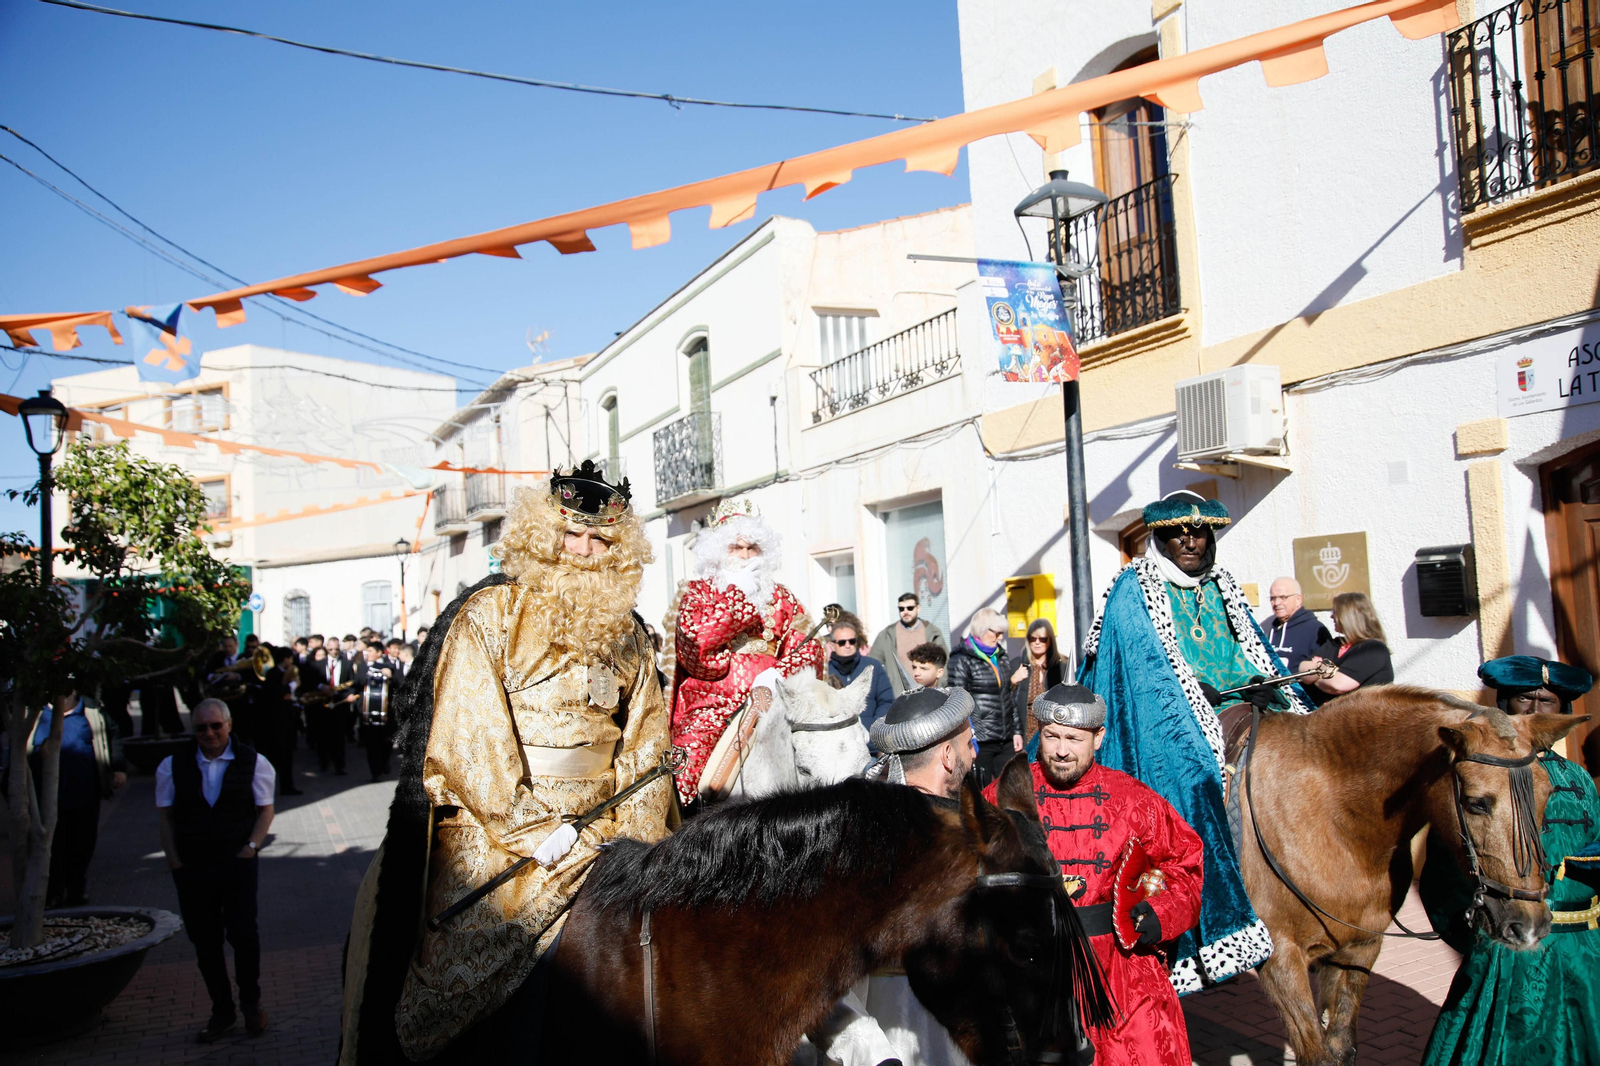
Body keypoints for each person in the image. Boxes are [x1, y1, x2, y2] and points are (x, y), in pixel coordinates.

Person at [342, 459, 675, 1063]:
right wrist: (539, 833)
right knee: (481, 966)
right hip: (503, 833)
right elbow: (471, 740)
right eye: (570, 533)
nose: (583, 549)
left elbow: (647, 745)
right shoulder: (489, 615)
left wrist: (634, 842)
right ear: (540, 535)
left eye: (600, 539)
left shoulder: (629, 634)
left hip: (605, 829)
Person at [1079, 490, 1308, 993]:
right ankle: (1208, 914)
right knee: (1195, 775)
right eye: (1178, 531)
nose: (1190, 539)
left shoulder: (1224, 584)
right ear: (1159, 536)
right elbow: (1145, 678)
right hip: (1163, 718)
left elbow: (1249, 649)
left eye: (1200, 531)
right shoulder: (1133, 589)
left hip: (1238, 706)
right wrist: (1194, 697)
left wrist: (1266, 684)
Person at [985, 685, 1204, 1066]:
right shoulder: (1004, 795)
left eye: (1074, 738)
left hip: (1122, 969)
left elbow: (1186, 863)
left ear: (1098, 737)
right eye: (1051, 736)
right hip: (1034, 968)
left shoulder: (1133, 799)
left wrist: (1161, 913)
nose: (1061, 750)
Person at [1420, 655, 1600, 1066]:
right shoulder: (1478, 779)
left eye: (1547, 702)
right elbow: (1442, 876)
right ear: (1503, 706)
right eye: (1523, 700)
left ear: (1562, 712)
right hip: (1508, 952)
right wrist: (1483, 941)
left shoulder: (1579, 779)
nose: (1535, 711)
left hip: (1582, 952)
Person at [813, 686, 974, 1066]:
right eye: (970, 744)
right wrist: (874, 1057)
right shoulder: (862, 845)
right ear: (948, 757)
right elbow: (817, 977)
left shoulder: (972, 830)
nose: (974, 754)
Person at [670, 496, 823, 806]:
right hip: (710, 711)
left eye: (752, 548)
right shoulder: (698, 592)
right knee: (682, 774)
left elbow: (810, 648)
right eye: (735, 548)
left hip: (770, 703)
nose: (745, 555)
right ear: (718, 551)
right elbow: (696, 648)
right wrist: (736, 595)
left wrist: (778, 674)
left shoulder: (781, 597)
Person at [156, 698, 276, 1043]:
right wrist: (174, 862)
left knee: (243, 935)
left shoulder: (255, 762)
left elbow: (265, 809)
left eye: (215, 726)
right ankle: (222, 1011)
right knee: (205, 943)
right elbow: (165, 817)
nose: (208, 733)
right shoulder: (171, 765)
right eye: (201, 728)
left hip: (237, 865)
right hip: (192, 868)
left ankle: (251, 1005)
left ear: (229, 725)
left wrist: (250, 847)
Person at [27, 681, 126, 906]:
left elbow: (113, 735)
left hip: (85, 794)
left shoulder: (91, 711)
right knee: (54, 846)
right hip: (47, 798)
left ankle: (76, 889)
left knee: (82, 844)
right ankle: (54, 892)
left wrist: (118, 768)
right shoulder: (35, 713)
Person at [944, 607, 1019, 787]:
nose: (1000, 638)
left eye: (1002, 633)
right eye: (997, 633)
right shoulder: (961, 658)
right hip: (981, 739)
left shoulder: (1000, 656)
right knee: (982, 791)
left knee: (1010, 789)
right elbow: (959, 700)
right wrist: (971, 740)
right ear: (982, 630)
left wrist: (1016, 730)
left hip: (1005, 737)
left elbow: (1008, 695)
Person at [1299, 591, 1394, 707]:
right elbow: (1303, 671)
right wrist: (1328, 670)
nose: (1331, 616)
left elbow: (1337, 685)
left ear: (1349, 616)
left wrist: (1317, 669)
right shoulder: (1334, 644)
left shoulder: (1373, 649)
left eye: (1335, 612)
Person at [826, 610, 895, 734]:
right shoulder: (824, 672)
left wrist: (873, 730)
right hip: (838, 742)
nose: (848, 645)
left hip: (871, 741)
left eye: (852, 641)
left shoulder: (873, 666)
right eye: (842, 642)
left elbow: (886, 702)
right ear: (832, 645)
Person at [868, 592, 948, 697]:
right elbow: (873, 665)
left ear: (918, 608)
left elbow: (943, 664)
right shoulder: (887, 635)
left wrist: (939, 690)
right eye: (901, 609)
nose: (905, 612)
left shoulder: (932, 632)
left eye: (910, 608)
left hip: (928, 695)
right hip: (899, 695)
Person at [1012, 617, 1067, 753]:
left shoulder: (1062, 666)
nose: (1037, 642)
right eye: (1033, 638)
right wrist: (1012, 681)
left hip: (1053, 732)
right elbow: (1006, 702)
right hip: (1026, 734)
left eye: (1042, 639)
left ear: (1050, 641)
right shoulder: (1016, 665)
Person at [1261, 578, 1328, 671]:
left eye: (1283, 597)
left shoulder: (1316, 630)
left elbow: (1325, 670)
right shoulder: (1266, 629)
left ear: (1298, 599)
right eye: (1273, 598)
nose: (1276, 603)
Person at [355, 640, 397, 780]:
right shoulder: (362, 667)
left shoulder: (388, 665)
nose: (368, 654)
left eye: (371, 651)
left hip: (385, 710)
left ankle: (384, 763)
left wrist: (390, 675)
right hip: (367, 710)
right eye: (367, 651)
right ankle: (375, 772)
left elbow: (397, 684)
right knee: (371, 743)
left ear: (379, 653)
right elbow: (357, 683)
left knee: (386, 741)